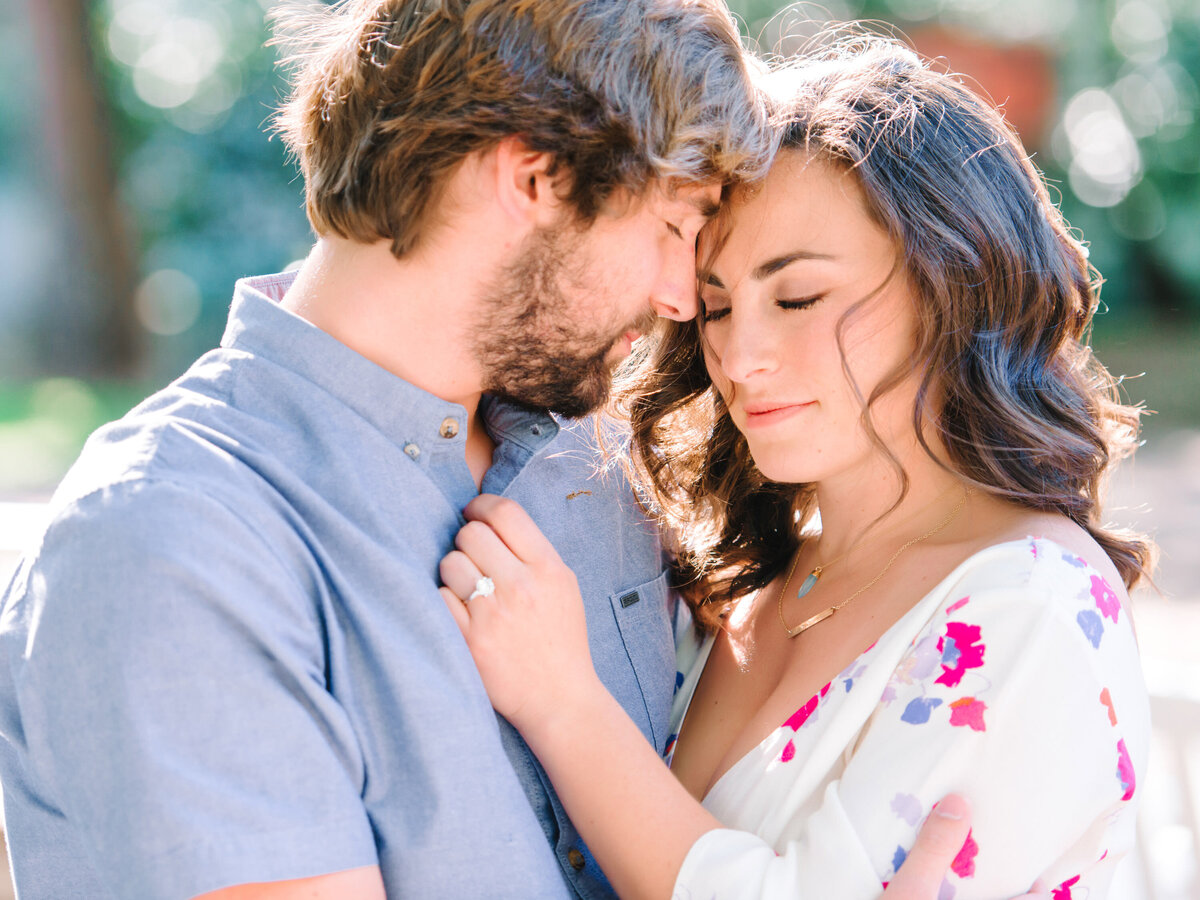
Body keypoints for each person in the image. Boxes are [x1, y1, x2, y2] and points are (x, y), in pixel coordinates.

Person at [0, 5, 979, 900]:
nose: (686, 299)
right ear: (534, 177)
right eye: (676, 226)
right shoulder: (168, 549)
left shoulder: (598, 472)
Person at [439, 31, 1153, 900]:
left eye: (798, 297)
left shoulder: (1031, 604)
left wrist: (561, 702)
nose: (740, 356)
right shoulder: (746, 577)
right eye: (715, 307)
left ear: (952, 281)